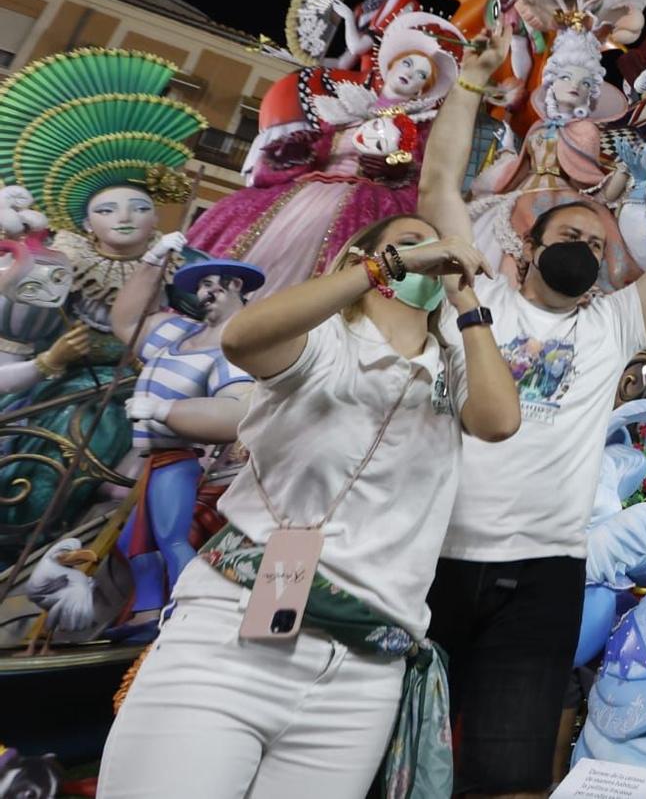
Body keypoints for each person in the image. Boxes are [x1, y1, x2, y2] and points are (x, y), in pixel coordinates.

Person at [416, 38, 646, 799]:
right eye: (567, 238)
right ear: (526, 250)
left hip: (544, 569)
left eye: (594, 243)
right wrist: (471, 83)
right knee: (401, 751)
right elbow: (439, 186)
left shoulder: (613, 324)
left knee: (508, 774)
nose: (580, 249)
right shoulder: (480, 301)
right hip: (433, 556)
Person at [98, 215, 521, 799]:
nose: (428, 255)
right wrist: (391, 267)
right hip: (235, 639)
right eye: (406, 244)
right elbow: (242, 338)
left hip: (365, 670)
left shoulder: (449, 370)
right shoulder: (322, 339)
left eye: (435, 246)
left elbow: (500, 421)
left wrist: (468, 303)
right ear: (361, 260)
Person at [106, 234, 267, 616]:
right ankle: (146, 611)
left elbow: (234, 412)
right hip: (151, 459)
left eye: (215, 285)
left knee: (170, 539)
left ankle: (184, 611)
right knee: (134, 544)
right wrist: (152, 259)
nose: (206, 293)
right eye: (201, 286)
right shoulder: (179, 331)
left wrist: (162, 411)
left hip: (179, 460)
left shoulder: (236, 349)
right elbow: (127, 321)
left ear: (237, 288)